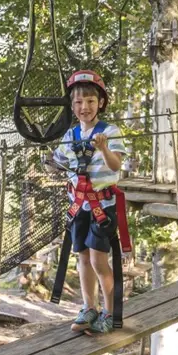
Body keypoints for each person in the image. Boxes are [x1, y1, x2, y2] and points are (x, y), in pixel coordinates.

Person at [51, 70, 129, 335]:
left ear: (100, 104)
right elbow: (59, 163)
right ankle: (88, 307)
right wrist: (48, 161)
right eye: (78, 102)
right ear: (73, 106)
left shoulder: (110, 132)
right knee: (82, 258)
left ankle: (110, 311)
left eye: (90, 102)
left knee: (98, 261)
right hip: (79, 206)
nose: (84, 107)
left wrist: (104, 148)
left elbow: (116, 165)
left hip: (102, 207)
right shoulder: (70, 135)